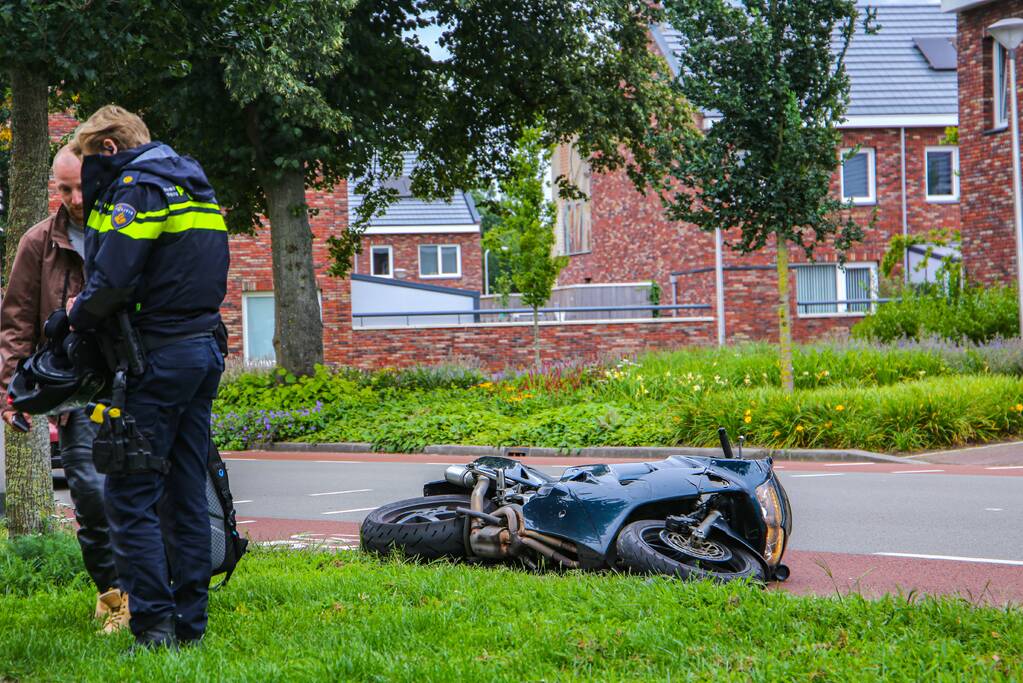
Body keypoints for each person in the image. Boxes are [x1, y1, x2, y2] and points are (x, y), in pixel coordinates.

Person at [67, 105, 228, 649]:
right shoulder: (193, 184)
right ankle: (190, 627)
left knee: (130, 494)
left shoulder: (137, 189)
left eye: (91, 160)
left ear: (108, 149)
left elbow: (111, 280)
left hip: (154, 361)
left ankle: (153, 628)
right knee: (184, 491)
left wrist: (70, 318)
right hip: (202, 352)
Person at [0, 145, 129, 634]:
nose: (75, 198)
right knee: (91, 498)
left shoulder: (123, 229)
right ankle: (114, 597)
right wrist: (10, 390)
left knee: (140, 492)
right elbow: (15, 322)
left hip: (129, 382)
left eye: (81, 186)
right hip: (76, 393)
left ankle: (150, 593)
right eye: (65, 188)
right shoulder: (39, 243)